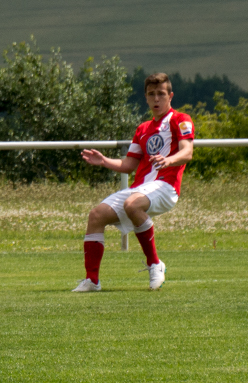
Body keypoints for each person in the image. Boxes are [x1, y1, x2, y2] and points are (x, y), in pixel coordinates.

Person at [73, 73, 194, 292]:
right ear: (146, 98)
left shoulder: (181, 120)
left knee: (132, 204)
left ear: (170, 96)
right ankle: (92, 280)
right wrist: (104, 161)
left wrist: (169, 160)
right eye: (151, 94)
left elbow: (187, 152)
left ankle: (155, 263)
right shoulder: (142, 129)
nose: (156, 99)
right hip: (141, 188)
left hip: (166, 187)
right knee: (96, 215)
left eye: (161, 94)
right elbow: (129, 165)